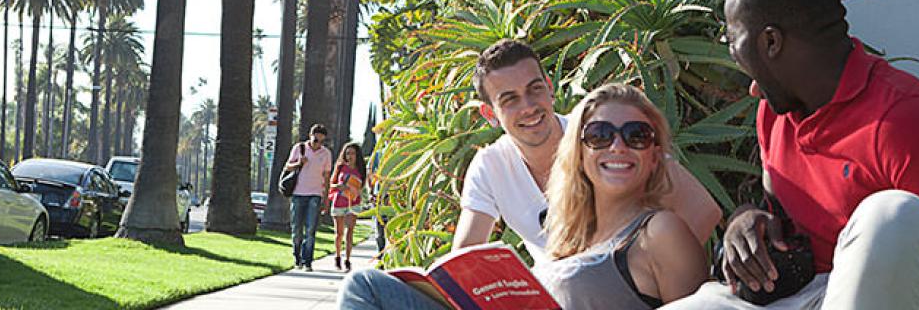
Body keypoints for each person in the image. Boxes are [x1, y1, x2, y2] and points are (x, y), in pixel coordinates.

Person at [663, 0, 919, 309]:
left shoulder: (908, 117)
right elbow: (779, 212)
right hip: (798, 296)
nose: (731, 54)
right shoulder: (774, 113)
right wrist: (745, 221)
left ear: (770, 42)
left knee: (892, 214)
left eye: (732, 40)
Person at [338, 39, 722, 309]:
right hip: (541, 295)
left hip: (590, 292)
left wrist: (628, 276)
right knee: (364, 286)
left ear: (550, 89)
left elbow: (703, 211)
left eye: (535, 89)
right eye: (509, 99)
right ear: (491, 114)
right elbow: (465, 260)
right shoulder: (491, 166)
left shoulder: (598, 137)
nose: (529, 107)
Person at [533, 83, 707, 309]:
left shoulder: (660, 232)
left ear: (654, 157)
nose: (618, 146)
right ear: (580, 153)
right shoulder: (568, 238)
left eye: (636, 135)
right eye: (600, 135)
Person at [285, 124, 333, 272]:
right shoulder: (299, 148)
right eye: (315, 139)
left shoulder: (326, 154)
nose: (317, 143)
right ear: (310, 135)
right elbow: (287, 166)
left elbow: (326, 177)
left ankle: (307, 262)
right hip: (298, 194)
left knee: (311, 229)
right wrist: (299, 163)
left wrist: (326, 200)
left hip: (315, 194)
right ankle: (297, 258)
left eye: (320, 141)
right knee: (297, 228)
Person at [330, 142, 367, 272]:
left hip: (353, 203)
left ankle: (348, 260)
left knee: (350, 231)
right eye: (347, 153)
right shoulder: (340, 167)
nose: (349, 156)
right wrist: (339, 187)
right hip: (339, 201)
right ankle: (338, 257)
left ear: (357, 155)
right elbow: (331, 184)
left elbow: (362, 187)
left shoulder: (361, 170)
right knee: (339, 233)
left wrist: (354, 190)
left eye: (352, 153)